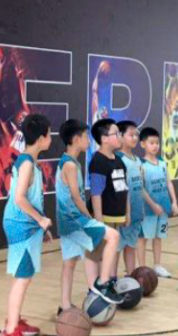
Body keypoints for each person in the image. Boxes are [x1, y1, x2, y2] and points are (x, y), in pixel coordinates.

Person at [55, 119, 122, 317]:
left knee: (69, 264)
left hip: (65, 222)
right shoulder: (70, 165)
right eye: (85, 136)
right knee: (113, 237)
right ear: (76, 139)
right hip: (75, 220)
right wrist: (90, 217)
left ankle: (65, 306)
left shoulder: (67, 160)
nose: (88, 140)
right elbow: (76, 197)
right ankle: (103, 283)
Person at [0, 114, 53, 336]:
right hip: (20, 224)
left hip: (27, 224)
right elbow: (19, 198)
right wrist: (40, 220)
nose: (51, 138)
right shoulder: (27, 163)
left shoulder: (30, 160)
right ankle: (10, 332)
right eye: (49, 134)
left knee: (25, 275)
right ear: (41, 138)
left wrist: (41, 225)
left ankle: (15, 320)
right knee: (22, 277)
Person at [87, 118, 131, 305]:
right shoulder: (98, 161)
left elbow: (124, 188)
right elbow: (96, 194)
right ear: (104, 139)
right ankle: (93, 289)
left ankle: (105, 283)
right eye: (116, 133)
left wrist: (127, 213)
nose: (119, 136)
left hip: (116, 215)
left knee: (109, 251)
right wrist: (98, 221)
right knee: (95, 253)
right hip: (102, 216)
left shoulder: (119, 160)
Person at [138, 127, 178, 278]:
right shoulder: (141, 164)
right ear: (143, 144)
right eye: (151, 143)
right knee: (143, 238)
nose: (155, 146)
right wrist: (153, 205)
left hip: (163, 209)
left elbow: (169, 183)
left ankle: (157, 266)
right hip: (147, 210)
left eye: (157, 142)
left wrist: (174, 202)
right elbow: (140, 188)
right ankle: (141, 269)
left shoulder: (162, 163)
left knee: (158, 237)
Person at [115, 120, 146, 276]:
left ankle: (131, 279)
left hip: (136, 214)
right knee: (116, 249)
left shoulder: (137, 160)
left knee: (131, 247)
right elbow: (119, 189)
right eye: (131, 135)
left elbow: (140, 187)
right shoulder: (117, 160)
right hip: (122, 215)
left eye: (136, 135)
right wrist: (124, 213)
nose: (135, 138)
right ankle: (111, 280)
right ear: (120, 136)